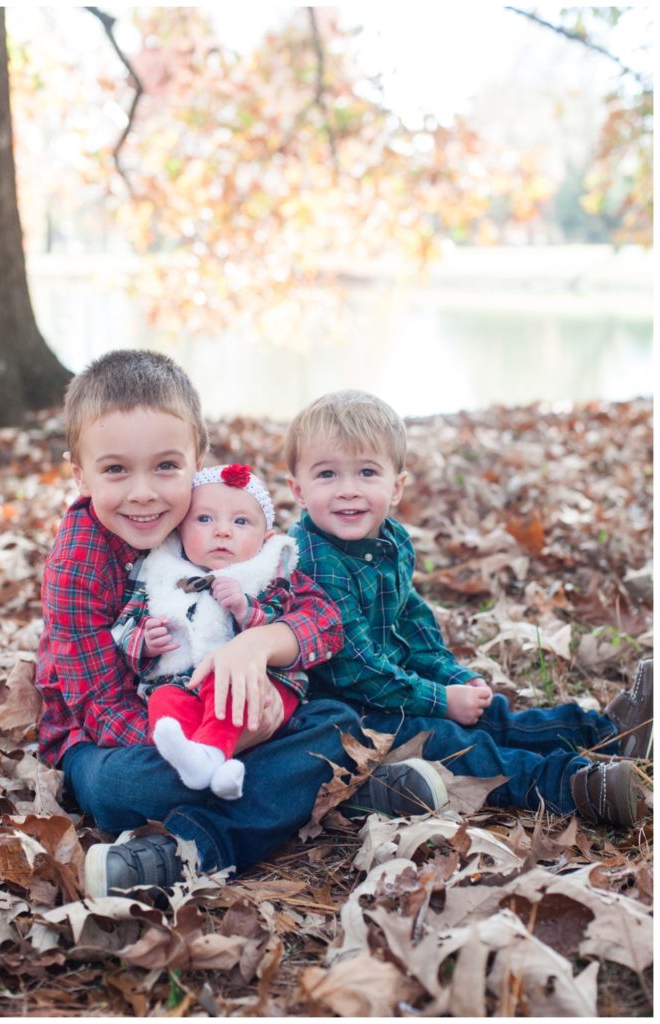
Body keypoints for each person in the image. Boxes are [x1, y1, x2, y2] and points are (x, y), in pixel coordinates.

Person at [35, 351, 444, 901]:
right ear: (79, 474)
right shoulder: (79, 561)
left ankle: (214, 833)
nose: (143, 493)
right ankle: (330, 787)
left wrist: (258, 645)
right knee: (117, 787)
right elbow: (99, 707)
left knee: (335, 716)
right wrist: (224, 738)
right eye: (115, 470)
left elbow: (321, 619)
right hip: (113, 738)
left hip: (224, 715)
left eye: (165, 467)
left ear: (196, 460)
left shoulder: (210, 518)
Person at [285, 389, 653, 828]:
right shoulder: (313, 561)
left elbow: (413, 621)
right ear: (298, 490)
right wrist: (441, 700)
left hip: (396, 686)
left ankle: (607, 734)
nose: (349, 491)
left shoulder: (390, 539)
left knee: (492, 714)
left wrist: (451, 677)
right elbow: (355, 669)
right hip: (349, 713)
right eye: (327, 474)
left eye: (367, 472)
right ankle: (573, 786)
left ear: (397, 486)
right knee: (457, 743)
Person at [112, 462, 316, 799]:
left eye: (240, 522)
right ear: (179, 531)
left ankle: (210, 757)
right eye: (204, 519)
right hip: (183, 686)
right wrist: (144, 642)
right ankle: (208, 765)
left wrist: (246, 608)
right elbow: (123, 628)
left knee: (228, 684)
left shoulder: (268, 576)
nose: (222, 531)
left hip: (260, 687)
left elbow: (289, 620)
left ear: (265, 539)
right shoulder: (162, 575)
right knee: (163, 702)